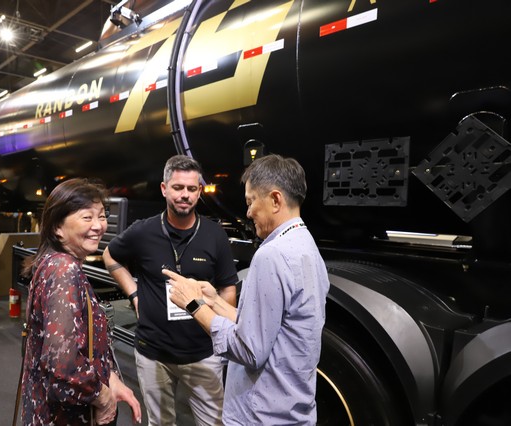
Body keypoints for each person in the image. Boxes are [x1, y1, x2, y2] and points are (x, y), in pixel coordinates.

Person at [166, 154, 330, 425]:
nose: (248, 212)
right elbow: (267, 328)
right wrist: (214, 301)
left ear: (275, 199)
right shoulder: (306, 246)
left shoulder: (272, 255)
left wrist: (194, 305)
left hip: (259, 415)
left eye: (251, 201)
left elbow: (248, 349)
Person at [103, 155, 238, 426]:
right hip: (153, 354)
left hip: (203, 354)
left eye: (191, 189)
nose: (185, 195)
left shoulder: (214, 235)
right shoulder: (143, 231)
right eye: (178, 188)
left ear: (199, 192)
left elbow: (227, 288)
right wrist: (134, 294)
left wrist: (218, 328)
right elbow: (110, 256)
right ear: (164, 189)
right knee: (160, 423)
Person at [21, 178, 141, 425]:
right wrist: (103, 397)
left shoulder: (52, 262)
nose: (98, 226)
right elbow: (62, 364)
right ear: (57, 227)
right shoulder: (64, 270)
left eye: (101, 216)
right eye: (87, 217)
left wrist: (111, 376)